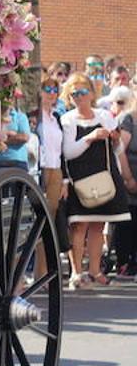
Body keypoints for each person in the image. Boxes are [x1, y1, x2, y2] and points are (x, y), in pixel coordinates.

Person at [61, 73, 130, 288]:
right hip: (80, 177)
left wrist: (115, 138)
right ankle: (76, 272)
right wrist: (89, 137)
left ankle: (95, 270)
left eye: (83, 91)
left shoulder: (105, 115)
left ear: (91, 93)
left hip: (104, 177)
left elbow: (117, 149)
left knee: (98, 226)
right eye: (74, 93)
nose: (79, 97)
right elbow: (68, 152)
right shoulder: (68, 119)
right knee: (79, 226)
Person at [34, 75, 70, 281]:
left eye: (54, 90)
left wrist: (64, 179)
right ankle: (35, 273)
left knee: (49, 222)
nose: (51, 93)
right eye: (47, 89)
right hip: (40, 169)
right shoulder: (35, 117)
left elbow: (61, 149)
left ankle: (44, 273)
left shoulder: (56, 117)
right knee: (36, 222)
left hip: (55, 170)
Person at [107, 86, 137, 277]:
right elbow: (120, 151)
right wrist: (128, 179)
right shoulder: (128, 119)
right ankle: (125, 261)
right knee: (129, 221)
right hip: (130, 177)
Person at [0, 104, 31, 175]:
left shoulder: (20, 117)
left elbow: (24, 137)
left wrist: (2, 139)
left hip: (15, 163)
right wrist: (9, 134)